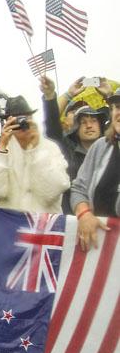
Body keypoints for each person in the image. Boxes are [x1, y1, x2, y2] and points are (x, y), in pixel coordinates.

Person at [0, 96, 70, 213]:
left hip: (42, 225)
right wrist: (2, 149)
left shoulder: (50, 147)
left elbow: (53, 191)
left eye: (25, 118)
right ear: (8, 122)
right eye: (16, 119)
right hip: (11, 224)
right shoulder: (0, 149)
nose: (21, 123)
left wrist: (37, 150)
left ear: (32, 119)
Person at [40, 75, 111, 213]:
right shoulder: (66, 151)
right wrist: (53, 95)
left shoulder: (112, 148)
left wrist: (109, 95)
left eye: (93, 120)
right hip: (73, 220)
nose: (89, 126)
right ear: (75, 130)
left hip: (107, 222)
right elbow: (52, 125)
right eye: (83, 122)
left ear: (102, 125)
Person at [70, 87, 120, 252]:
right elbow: (79, 188)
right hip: (98, 249)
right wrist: (84, 214)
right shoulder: (101, 146)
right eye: (117, 107)